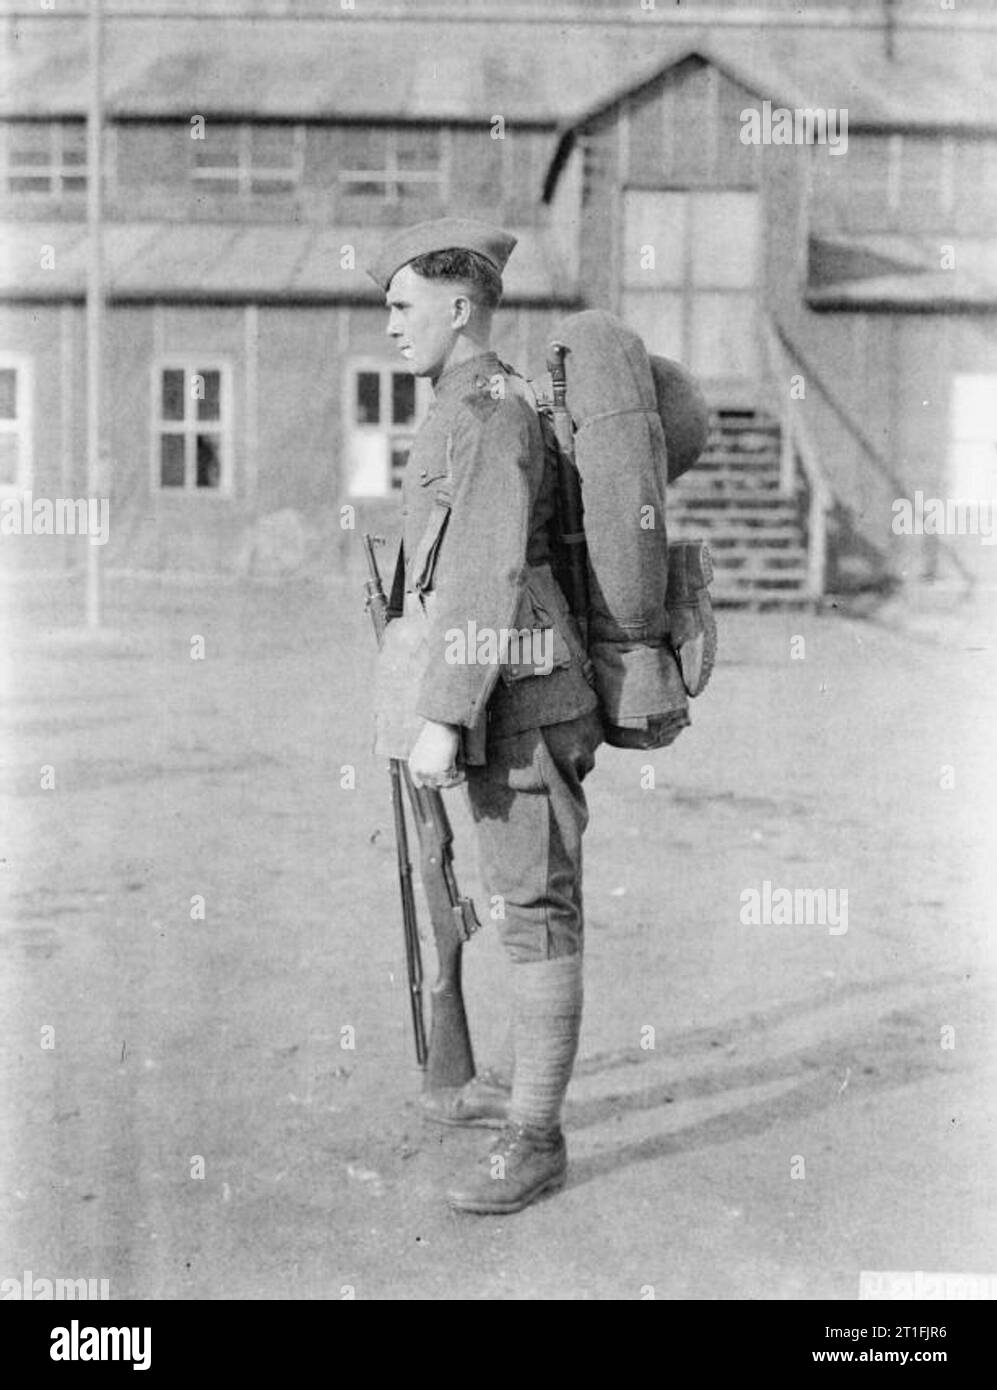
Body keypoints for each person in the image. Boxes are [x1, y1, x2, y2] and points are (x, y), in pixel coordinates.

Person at [367, 218, 603, 1215]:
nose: (387, 327)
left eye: (401, 307)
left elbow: (487, 564)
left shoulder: (493, 411)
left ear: (458, 308)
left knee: (535, 906)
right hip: (492, 688)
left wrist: (447, 715)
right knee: (511, 901)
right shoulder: (459, 403)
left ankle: (536, 1138)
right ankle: (502, 1091)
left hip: (520, 695)